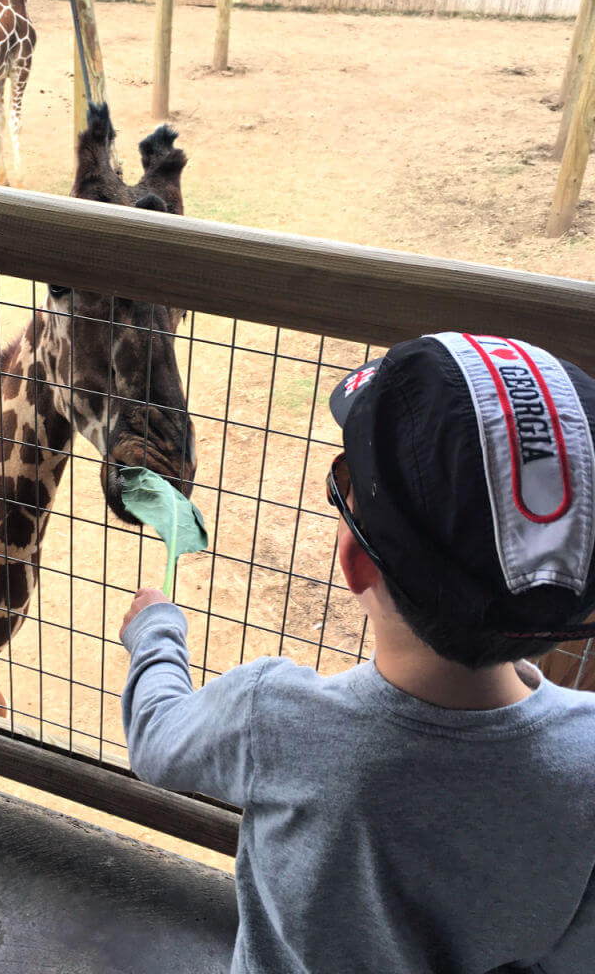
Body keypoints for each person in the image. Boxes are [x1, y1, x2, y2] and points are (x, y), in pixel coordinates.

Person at [120, 331, 595, 974]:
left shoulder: (275, 718)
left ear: (354, 562)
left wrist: (154, 631)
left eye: (348, 479)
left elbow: (155, 739)